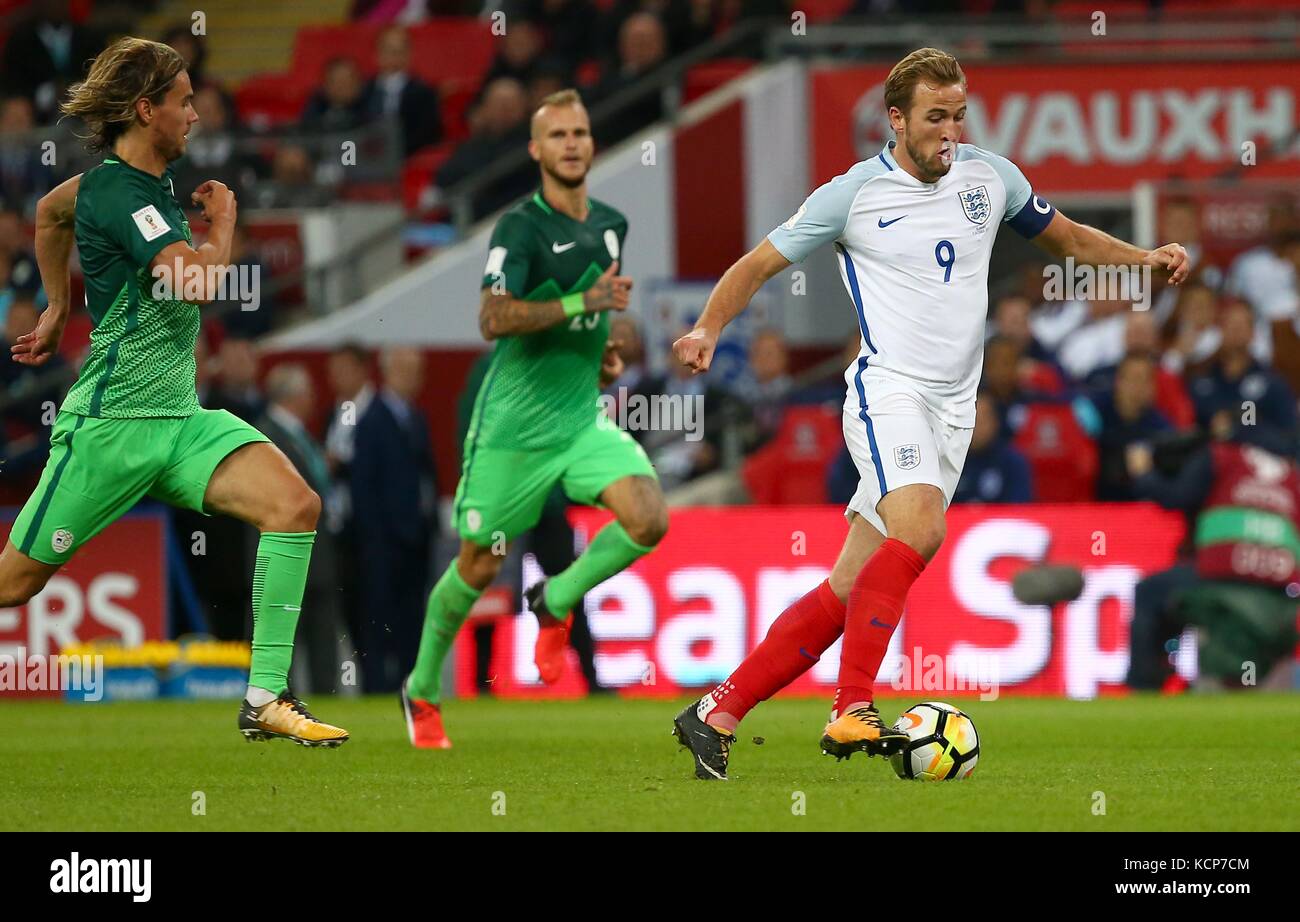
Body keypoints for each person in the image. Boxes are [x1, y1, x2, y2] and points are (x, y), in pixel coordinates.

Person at [668, 46, 1189, 780]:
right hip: (889, 392)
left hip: (951, 411)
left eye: (958, 114)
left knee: (850, 587)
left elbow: (1070, 240)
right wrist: (707, 330)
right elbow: (757, 265)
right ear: (896, 120)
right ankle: (851, 707)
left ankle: (715, 712)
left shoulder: (990, 177)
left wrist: (1143, 259)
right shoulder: (850, 196)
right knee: (920, 528)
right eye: (935, 117)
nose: (950, 131)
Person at [0, 37, 347, 746]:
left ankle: (265, 698)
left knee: (294, 504)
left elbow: (48, 214)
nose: (195, 114)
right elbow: (195, 281)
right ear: (145, 109)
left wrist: (58, 306)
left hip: (181, 423)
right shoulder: (125, 193)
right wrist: (223, 225)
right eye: (183, 102)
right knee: (14, 584)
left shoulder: (128, 185)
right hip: (112, 428)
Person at [401, 88, 669, 749]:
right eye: (558, 135)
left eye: (580, 131)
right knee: (479, 565)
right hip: (513, 432)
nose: (572, 142)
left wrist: (600, 352)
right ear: (536, 150)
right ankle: (422, 688)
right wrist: (587, 299)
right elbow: (494, 318)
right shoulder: (518, 229)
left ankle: (555, 598)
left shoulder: (611, 224)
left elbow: (587, 317)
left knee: (647, 516)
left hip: (579, 420)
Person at [351, 347, 438, 693]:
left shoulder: (416, 417)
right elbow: (363, 487)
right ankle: (376, 687)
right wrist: (373, 539)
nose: (415, 377)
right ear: (388, 371)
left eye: (418, 370)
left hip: (416, 539)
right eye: (407, 369)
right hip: (384, 544)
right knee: (378, 618)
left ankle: (409, 686)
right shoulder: (371, 419)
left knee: (411, 618)